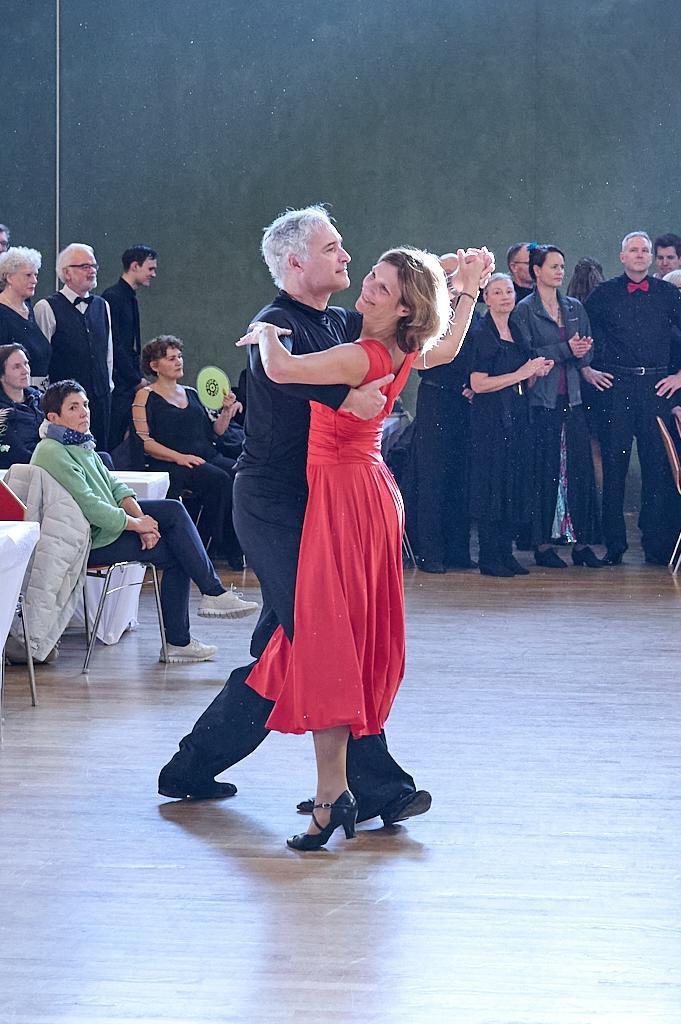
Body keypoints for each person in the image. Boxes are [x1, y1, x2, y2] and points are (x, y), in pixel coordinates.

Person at [158, 205, 471, 829]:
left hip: (325, 503)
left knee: (283, 647)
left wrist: (450, 285)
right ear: (297, 262)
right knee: (322, 637)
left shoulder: (335, 320)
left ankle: (190, 769)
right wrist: (348, 395)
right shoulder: (274, 323)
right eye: (334, 249)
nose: (348, 259)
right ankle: (375, 788)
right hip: (276, 504)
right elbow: (287, 378)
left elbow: (399, 334)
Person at [238, 243, 489, 849]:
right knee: (338, 637)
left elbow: (282, 371)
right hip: (369, 495)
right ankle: (339, 791)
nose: (366, 288)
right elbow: (448, 347)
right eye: (370, 278)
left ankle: (333, 797)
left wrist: (264, 334)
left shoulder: (364, 352)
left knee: (327, 640)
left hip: (346, 501)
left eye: (380, 286)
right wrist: (466, 287)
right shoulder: (400, 346)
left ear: (405, 307)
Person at [30, 379, 258, 661]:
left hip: (106, 527)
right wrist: (139, 526)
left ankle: (209, 599)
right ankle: (186, 631)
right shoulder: (52, 450)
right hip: (86, 539)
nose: (84, 412)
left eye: (86, 405)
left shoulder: (79, 442)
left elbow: (116, 489)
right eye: (74, 408)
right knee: (177, 552)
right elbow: (92, 507)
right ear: (54, 418)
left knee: (172, 512)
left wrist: (143, 519)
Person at [584, 231, 681, 564]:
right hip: (618, 388)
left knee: (657, 470)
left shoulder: (669, 294)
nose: (640, 255)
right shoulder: (603, 294)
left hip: (657, 388)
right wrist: (586, 370)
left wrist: (679, 376)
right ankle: (615, 547)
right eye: (633, 250)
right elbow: (582, 334)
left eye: (645, 250)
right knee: (614, 468)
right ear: (622, 257)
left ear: (652, 257)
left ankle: (655, 545)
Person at [510, 244, 602, 568]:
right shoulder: (524, 310)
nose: (560, 272)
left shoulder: (575, 307)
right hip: (542, 401)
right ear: (536, 271)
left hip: (573, 397)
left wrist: (581, 351)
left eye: (563, 266)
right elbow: (529, 354)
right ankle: (543, 545)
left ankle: (581, 544)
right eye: (553, 266)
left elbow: (587, 353)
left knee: (579, 470)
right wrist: (566, 348)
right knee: (545, 470)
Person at [133, 335, 243, 567]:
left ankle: (226, 545)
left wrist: (225, 410)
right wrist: (180, 458)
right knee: (220, 480)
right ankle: (203, 545)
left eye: (180, 356)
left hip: (204, 456)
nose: (178, 362)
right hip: (171, 462)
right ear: (155, 366)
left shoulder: (191, 392)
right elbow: (145, 442)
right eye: (171, 358)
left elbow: (215, 432)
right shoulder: (146, 396)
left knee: (239, 476)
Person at [468, 274, 553, 576]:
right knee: (493, 483)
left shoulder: (517, 331)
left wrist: (535, 372)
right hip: (491, 419)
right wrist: (521, 374)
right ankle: (490, 556)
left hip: (517, 414)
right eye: (497, 292)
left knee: (513, 483)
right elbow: (478, 384)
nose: (505, 296)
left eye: (508, 291)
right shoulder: (482, 333)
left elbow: (521, 376)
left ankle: (506, 552)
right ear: (486, 298)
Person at [403, 252, 477, 573]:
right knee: (432, 476)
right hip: (435, 397)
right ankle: (430, 552)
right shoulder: (429, 316)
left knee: (461, 476)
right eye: (447, 277)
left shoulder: (473, 314)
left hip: (466, 402)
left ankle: (458, 551)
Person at [33, 244, 113, 450]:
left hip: (100, 397)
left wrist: (107, 386)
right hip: (64, 405)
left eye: (94, 265)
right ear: (66, 273)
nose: (92, 270)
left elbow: (108, 353)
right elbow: (40, 359)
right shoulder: (47, 307)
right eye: (85, 266)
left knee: (101, 454)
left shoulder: (102, 305)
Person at [102, 245, 158, 451]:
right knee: (114, 436)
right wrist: (135, 379)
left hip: (128, 378)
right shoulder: (113, 297)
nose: (153, 274)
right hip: (120, 382)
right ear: (135, 266)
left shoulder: (128, 297)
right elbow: (116, 345)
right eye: (150, 268)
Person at [0, 247, 51, 385]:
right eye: (28, 275)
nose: (34, 280)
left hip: (39, 392)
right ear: (9, 277)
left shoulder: (28, 306)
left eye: (36, 275)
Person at [0, 344, 44, 468]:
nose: (25, 371)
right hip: (25, 470)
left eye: (26, 363)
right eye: (17, 367)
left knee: (101, 457)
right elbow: (19, 455)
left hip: (52, 460)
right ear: (2, 376)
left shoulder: (40, 398)